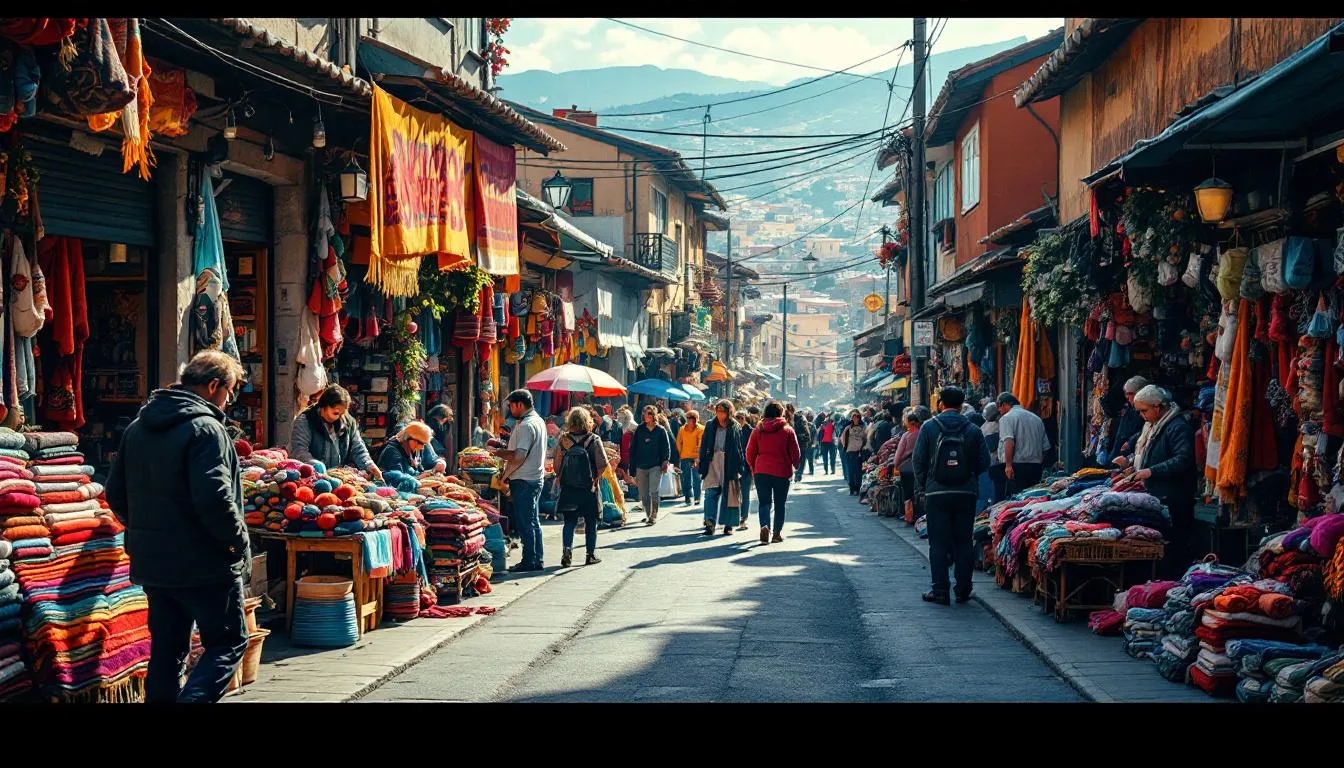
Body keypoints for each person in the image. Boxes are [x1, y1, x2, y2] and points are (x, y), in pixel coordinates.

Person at [106, 350, 250, 704]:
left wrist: (146, 531)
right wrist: (236, 543)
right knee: (227, 642)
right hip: (204, 563)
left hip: (154, 563)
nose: (229, 400)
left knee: (168, 652)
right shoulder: (206, 428)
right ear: (214, 385)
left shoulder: (138, 428)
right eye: (229, 391)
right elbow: (214, 498)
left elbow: (115, 493)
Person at [912, 386, 991, 606]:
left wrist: (925, 485)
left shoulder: (929, 427)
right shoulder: (973, 429)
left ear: (941, 404)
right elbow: (985, 461)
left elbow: (918, 460)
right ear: (962, 403)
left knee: (938, 543)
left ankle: (940, 590)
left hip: (936, 493)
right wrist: (968, 475)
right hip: (965, 493)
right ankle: (963, 588)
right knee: (964, 541)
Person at [1122, 385, 1197, 578]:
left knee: (1175, 546)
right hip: (1161, 495)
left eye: (1144, 410)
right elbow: (1149, 453)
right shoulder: (1156, 426)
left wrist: (1150, 471)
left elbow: (1183, 460)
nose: (1141, 415)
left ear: (1158, 407)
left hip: (1175, 498)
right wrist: (1133, 465)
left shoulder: (1177, 426)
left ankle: (1172, 581)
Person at [492, 390, 548, 573]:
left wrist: (498, 453)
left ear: (519, 405)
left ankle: (529, 560)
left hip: (524, 479)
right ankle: (536, 558)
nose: (510, 409)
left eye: (511, 405)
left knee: (526, 523)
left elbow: (519, 456)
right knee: (533, 521)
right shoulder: (538, 421)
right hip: (535, 478)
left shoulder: (526, 425)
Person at [290, 384, 384, 481]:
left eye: (341, 414)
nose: (338, 417)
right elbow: (299, 450)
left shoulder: (348, 422)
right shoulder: (306, 420)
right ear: (323, 406)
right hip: (311, 479)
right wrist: (316, 466)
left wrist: (369, 465)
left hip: (338, 478)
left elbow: (358, 448)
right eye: (335, 413)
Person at [552, 407, 609, 567]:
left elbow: (557, 465)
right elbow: (602, 464)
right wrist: (595, 478)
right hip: (588, 488)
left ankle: (567, 551)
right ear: (587, 421)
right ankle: (590, 554)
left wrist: (562, 477)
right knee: (591, 522)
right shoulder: (594, 439)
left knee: (569, 521)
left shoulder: (563, 440)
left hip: (569, 488)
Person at [745, 401, 801, 545]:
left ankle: (765, 525)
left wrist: (754, 467)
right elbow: (795, 452)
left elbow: (749, 452)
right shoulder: (787, 430)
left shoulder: (758, 430)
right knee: (780, 504)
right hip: (782, 472)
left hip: (761, 471)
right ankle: (776, 534)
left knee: (764, 502)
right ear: (781, 413)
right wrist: (796, 465)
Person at [699, 399, 747, 536]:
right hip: (712, 461)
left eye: (723, 412)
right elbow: (704, 445)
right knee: (710, 493)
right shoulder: (710, 425)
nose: (720, 415)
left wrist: (739, 467)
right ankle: (709, 522)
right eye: (718, 411)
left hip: (729, 462)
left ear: (728, 412)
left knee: (730, 494)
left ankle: (729, 524)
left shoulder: (735, 426)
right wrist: (702, 462)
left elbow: (739, 449)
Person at [996, 392, 1050, 496]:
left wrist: (1008, 465)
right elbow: (1045, 448)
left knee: (1016, 500)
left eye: (999, 407)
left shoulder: (1007, 418)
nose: (999, 410)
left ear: (1004, 404)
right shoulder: (1037, 419)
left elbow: (1009, 441)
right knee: (1032, 500)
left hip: (1017, 467)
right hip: (1036, 468)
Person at [631, 405, 673, 525]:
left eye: (649, 413)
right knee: (644, 494)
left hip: (655, 465)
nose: (646, 415)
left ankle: (653, 515)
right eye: (644, 413)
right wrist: (632, 468)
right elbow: (633, 449)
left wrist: (665, 460)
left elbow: (666, 447)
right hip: (641, 465)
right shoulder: (640, 429)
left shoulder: (660, 430)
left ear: (653, 415)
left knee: (654, 490)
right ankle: (648, 514)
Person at [377, 421, 448, 475]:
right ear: (408, 439)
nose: (422, 447)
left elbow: (433, 460)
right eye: (421, 443)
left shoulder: (422, 444)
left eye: (424, 444)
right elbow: (395, 478)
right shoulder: (392, 451)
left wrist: (440, 462)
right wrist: (420, 477)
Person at [1109, 376, 1150, 465]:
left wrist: (1131, 441)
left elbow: (1148, 429)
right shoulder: (1129, 408)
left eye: (1130, 393)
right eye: (1126, 394)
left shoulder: (1145, 410)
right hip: (1122, 451)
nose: (1127, 397)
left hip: (1133, 453)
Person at [676, 410, 705, 506]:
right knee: (686, 478)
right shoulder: (682, 429)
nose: (688, 421)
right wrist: (681, 453)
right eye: (687, 419)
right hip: (685, 456)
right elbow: (678, 442)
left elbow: (701, 443)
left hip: (696, 457)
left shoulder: (701, 429)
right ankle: (688, 497)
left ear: (696, 419)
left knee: (697, 478)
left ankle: (697, 498)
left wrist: (697, 455)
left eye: (691, 419)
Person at [737, 409, 759, 530]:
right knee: (735, 494)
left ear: (744, 418)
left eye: (740, 418)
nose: (738, 421)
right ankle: (735, 517)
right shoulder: (733, 430)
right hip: (735, 467)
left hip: (746, 467)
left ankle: (743, 517)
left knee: (745, 494)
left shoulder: (751, 431)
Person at [839, 410, 868, 495]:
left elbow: (866, 438)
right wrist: (846, 447)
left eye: (857, 418)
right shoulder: (848, 428)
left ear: (859, 418)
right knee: (851, 471)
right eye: (853, 418)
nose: (855, 419)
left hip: (859, 452)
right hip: (850, 452)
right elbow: (843, 438)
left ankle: (857, 488)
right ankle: (851, 488)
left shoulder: (863, 428)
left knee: (858, 471)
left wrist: (863, 449)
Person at [982, 402, 1004, 504]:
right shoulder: (995, 426)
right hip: (997, 463)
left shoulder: (984, 426)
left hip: (991, 463)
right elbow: (992, 446)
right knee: (999, 490)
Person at [817, 410, 838, 475]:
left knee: (827, 458)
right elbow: (819, 433)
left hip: (827, 443)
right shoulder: (829, 424)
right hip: (829, 443)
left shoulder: (828, 424)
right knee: (831, 458)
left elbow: (819, 434)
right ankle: (830, 470)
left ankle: (829, 470)